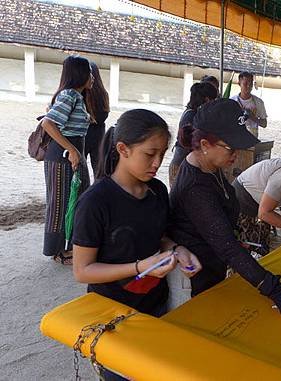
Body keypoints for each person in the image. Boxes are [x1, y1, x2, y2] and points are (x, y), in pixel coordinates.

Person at [72, 109, 201, 380]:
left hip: (155, 306)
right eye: (149, 154)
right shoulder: (96, 201)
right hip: (111, 313)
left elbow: (160, 237)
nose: (157, 163)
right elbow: (83, 270)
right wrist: (139, 266)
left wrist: (177, 249)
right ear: (123, 149)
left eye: (163, 154)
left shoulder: (157, 191)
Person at [168, 99, 281, 322]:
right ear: (205, 145)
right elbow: (228, 248)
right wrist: (277, 291)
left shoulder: (210, 165)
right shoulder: (195, 187)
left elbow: (220, 230)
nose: (236, 154)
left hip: (213, 264)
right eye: (231, 148)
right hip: (195, 275)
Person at [40, 55, 94, 264]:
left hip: (71, 155)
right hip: (62, 157)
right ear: (80, 74)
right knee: (60, 203)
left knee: (79, 199)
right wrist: (72, 150)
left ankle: (71, 246)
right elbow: (48, 123)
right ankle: (57, 251)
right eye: (89, 72)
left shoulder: (77, 97)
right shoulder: (69, 95)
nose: (93, 77)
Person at [168, 82, 218, 187]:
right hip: (180, 164)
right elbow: (190, 142)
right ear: (207, 99)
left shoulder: (195, 113)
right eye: (214, 100)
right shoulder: (191, 116)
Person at [85, 61, 110, 176]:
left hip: (84, 134)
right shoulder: (104, 94)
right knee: (99, 170)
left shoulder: (81, 93)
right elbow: (104, 116)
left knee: (80, 170)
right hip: (99, 134)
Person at [230, 71, 267, 138]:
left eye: (251, 84)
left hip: (252, 138)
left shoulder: (258, 102)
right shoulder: (232, 101)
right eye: (245, 83)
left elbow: (264, 124)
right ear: (239, 84)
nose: (248, 86)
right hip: (235, 137)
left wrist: (252, 117)